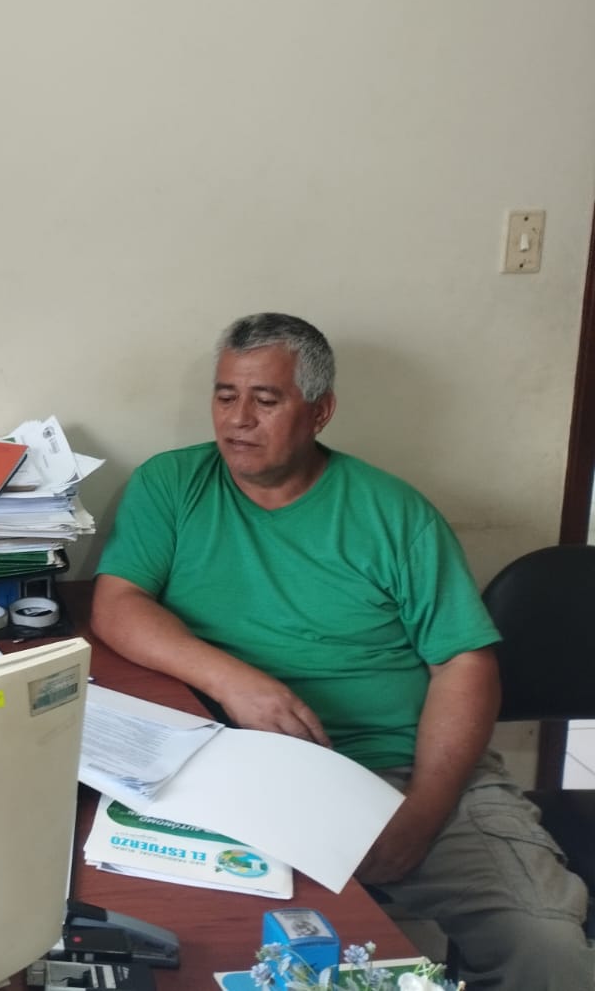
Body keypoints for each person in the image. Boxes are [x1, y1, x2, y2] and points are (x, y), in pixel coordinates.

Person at [91, 313, 591, 990]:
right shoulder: (173, 484)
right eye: (225, 395)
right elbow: (117, 604)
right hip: (236, 774)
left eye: (266, 400)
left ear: (320, 411)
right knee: (198, 945)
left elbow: (465, 664)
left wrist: (421, 815)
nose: (238, 419)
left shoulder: (394, 513)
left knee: (546, 949)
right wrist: (236, 681)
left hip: (402, 769)